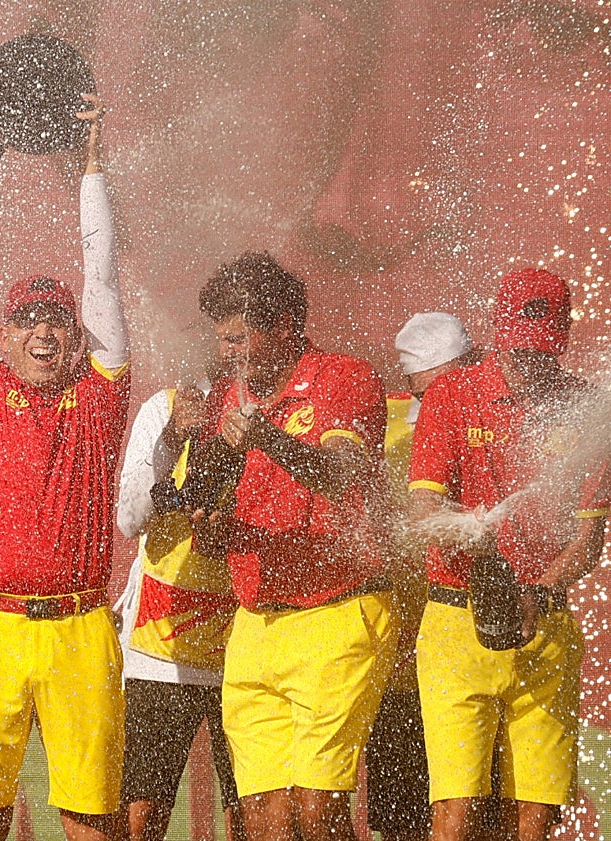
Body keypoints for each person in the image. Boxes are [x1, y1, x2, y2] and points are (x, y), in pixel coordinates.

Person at [0, 86, 129, 841]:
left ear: (76, 337)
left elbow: (104, 278)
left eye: (57, 319)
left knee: (88, 818)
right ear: (4, 336)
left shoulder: (100, 398)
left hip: (80, 628)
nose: (43, 331)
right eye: (26, 320)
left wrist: (92, 169)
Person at [198, 252, 396, 841]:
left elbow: (341, 473)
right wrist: (213, 528)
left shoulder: (345, 378)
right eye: (222, 339)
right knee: (262, 822)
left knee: (318, 813)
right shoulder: (226, 399)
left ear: (284, 324)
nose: (228, 352)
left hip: (336, 614)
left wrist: (267, 437)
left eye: (239, 337)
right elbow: (225, 505)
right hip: (255, 623)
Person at [408, 268, 610, 841]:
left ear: (560, 346)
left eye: (541, 354)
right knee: (456, 812)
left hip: (544, 623)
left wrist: (536, 592)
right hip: (454, 621)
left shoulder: (586, 408)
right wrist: (476, 553)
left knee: (536, 817)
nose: (529, 366)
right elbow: (424, 507)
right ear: (497, 335)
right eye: (518, 351)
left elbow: (587, 539)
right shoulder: (453, 393)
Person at [113, 378, 244, 841]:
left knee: (248, 811)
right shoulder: (166, 406)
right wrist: (172, 438)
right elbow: (129, 520)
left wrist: (232, 529)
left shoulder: (281, 405)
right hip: (160, 643)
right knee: (142, 810)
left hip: (248, 639)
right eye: (225, 335)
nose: (233, 350)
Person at [369, 312, 479, 841]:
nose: (459, 388)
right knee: (403, 813)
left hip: (474, 637)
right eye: (443, 381)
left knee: (482, 807)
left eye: (470, 370)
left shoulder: (496, 412)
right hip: (397, 648)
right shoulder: (385, 421)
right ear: (413, 381)